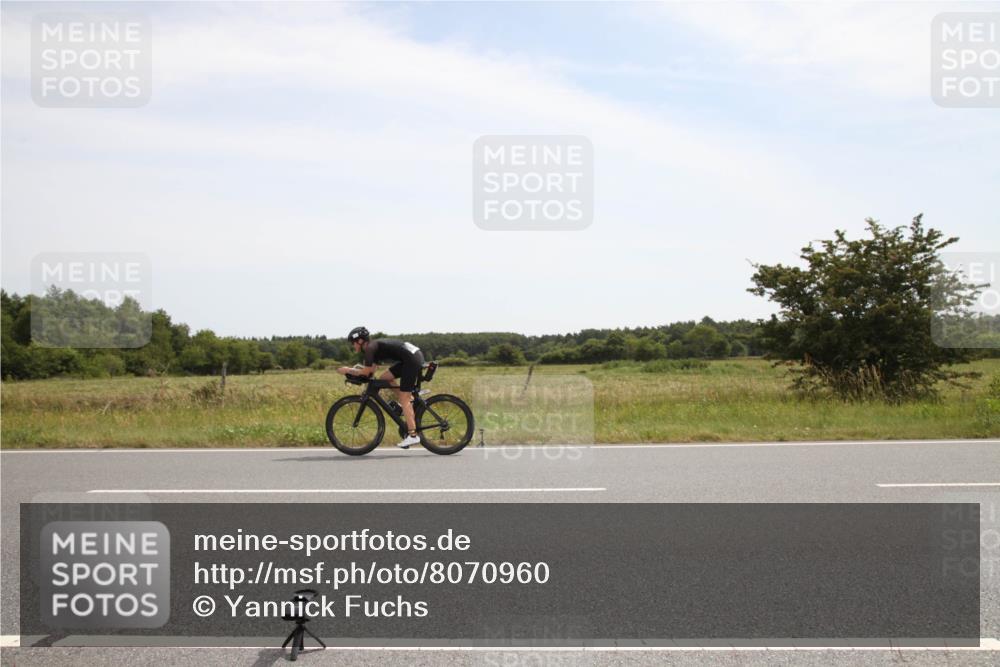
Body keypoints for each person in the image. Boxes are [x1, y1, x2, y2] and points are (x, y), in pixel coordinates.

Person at [337, 326, 424, 449]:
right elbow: (371, 371)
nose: (353, 346)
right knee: (385, 377)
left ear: (360, 341)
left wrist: (347, 370)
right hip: (412, 356)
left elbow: (366, 372)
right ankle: (406, 402)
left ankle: (413, 435)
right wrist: (358, 372)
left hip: (411, 360)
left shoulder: (370, 349)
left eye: (353, 343)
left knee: (405, 399)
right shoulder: (372, 348)